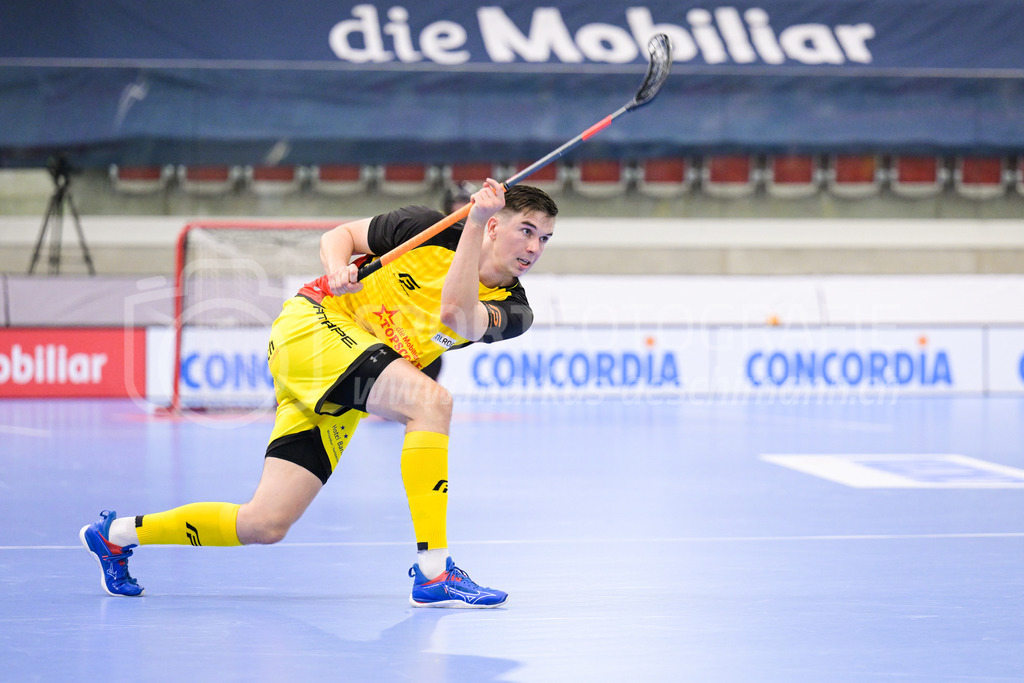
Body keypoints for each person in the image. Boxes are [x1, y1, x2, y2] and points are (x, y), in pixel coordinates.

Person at [80, 179, 557, 608]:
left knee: (264, 523)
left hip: (347, 373)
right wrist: (336, 269)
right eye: (527, 231)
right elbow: (340, 238)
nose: (535, 247)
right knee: (432, 402)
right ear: (496, 224)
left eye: (544, 238)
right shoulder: (427, 226)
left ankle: (117, 535)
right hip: (316, 323)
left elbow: (456, 314)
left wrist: (473, 225)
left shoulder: (514, 310)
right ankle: (434, 571)